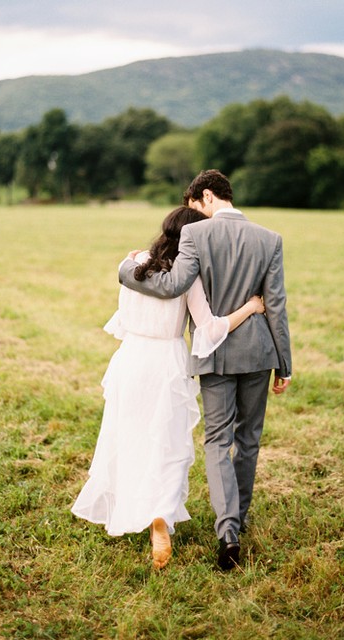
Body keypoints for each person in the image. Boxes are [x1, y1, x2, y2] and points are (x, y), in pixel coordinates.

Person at [71, 205, 265, 570]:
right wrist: (251, 308)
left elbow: (122, 321)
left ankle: (135, 507)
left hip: (130, 359)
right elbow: (208, 329)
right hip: (166, 363)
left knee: (129, 439)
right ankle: (160, 513)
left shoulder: (134, 264)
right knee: (169, 445)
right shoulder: (187, 276)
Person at [118, 170, 292, 570]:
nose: (192, 215)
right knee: (249, 438)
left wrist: (127, 269)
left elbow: (170, 285)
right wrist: (285, 363)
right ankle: (239, 521)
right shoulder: (270, 239)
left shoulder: (196, 236)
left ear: (206, 196)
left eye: (194, 205)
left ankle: (227, 531)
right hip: (259, 352)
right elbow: (276, 306)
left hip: (214, 355)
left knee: (217, 440)